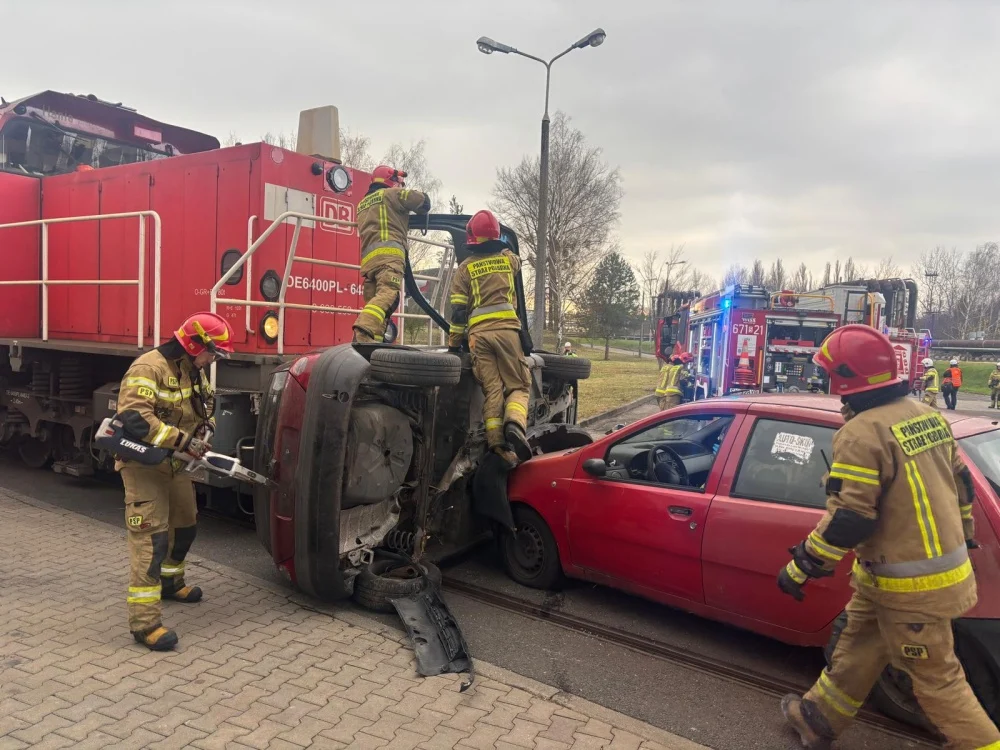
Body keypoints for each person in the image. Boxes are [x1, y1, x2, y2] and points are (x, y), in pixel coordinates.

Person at [777, 324, 996, 750]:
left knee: (938, 681)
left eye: (828, 372)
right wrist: (965, 534)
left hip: (911, 588)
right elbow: (962, 486)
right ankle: (817, 718)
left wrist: (803, 564)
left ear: (845, 377)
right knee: (858, 647)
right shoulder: (927, 416)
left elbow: (852, 518)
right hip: (895, 577)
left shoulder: (861, 434)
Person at [115, 312, 234, 651]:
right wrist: (184, 442)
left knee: (185, 526)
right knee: (150, 543)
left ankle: (171, 583)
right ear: (194, 345)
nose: (213, 359)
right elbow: (136, 418)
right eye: (212, 353)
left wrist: (204, 430)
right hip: (144, 465)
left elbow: (205, 402)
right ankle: (145, 624)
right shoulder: (148, 368)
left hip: (174, 465)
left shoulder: (192, 369)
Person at [447, 210, 531, 467]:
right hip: (506, 332)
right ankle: (515, 424)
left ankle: (497, 444)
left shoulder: (464, 269)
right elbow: (518, 258)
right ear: (496, 237)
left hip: (478, 338)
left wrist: (453, 343)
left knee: (492, 390)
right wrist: (505, 248)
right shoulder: (508, 261)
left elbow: (459, 311)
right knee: (518, 386)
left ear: (472, 240)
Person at [352, 165, 431, 343]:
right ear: (392, 182)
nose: (400, 187)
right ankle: (363, 328)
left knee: (378, 303)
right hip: (389, 259)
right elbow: (422, 202)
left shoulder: (362, 205)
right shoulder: (391, 195)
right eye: (399, 184)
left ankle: (374, 340)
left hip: (369, 263)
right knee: (389, 294)